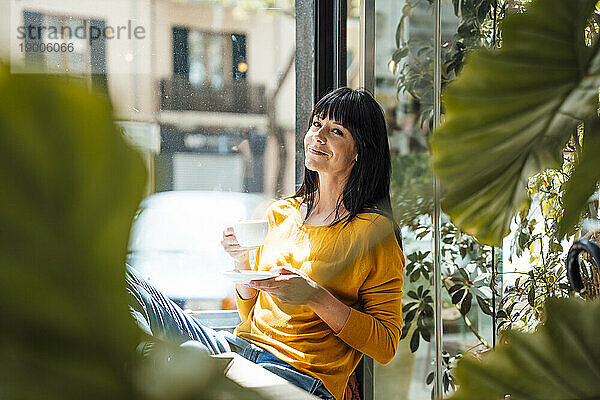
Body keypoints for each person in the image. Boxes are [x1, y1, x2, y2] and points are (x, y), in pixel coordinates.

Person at [127, 87, 405, 400]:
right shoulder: (280, 213)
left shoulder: (373, 233)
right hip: (240, 350)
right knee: (124, 279)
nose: (318, 136)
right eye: (316, 124)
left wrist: (314, 296)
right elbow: (249, 314)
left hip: (298, 376)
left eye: (336, 130)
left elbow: (385, 345)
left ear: (359, 151)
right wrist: (241, 261)